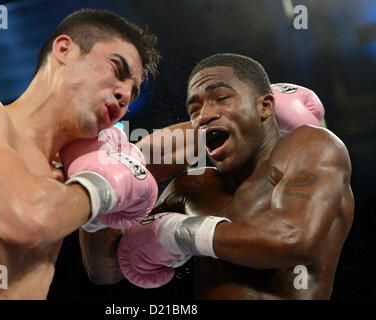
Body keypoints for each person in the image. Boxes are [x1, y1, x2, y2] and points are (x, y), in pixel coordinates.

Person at [0, 8, 165, 300]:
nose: (124, 94)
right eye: (117, 70)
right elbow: (29, 220)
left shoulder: (73, 173)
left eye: (134, 91)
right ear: (64, 50)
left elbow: (105, 273)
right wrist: (106, 185)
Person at [117, 53, 354, 299]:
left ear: (265, 106)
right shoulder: (190, 188)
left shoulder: (311, 147)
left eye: (221, 98)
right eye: (194, 109)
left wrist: (177, 233)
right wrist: (110, 184)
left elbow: (293, 239)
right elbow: (106, 269)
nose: (204, 115)